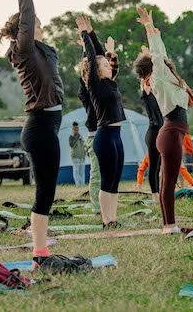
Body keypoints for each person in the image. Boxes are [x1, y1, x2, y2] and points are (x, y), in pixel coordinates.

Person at [0, 0, 64, 264]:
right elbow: (27, 12)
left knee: (48, 190)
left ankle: (40, 247)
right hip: (39, 127)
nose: (40, 24)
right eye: (37, 23)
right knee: (45, 191)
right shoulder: (24, 49)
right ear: (26, 29)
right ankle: (39, 252)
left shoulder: (39, 50)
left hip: (46, 126)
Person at [135, 7, 193, 234]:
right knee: (168, 182)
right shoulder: (157, 77)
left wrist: (155, 33)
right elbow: (158, 56)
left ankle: (168, 224)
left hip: (171, 132)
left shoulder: (164, 77)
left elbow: (162, 55)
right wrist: (149, 28)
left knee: (166, 181)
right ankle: (169, 225)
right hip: (170, 133)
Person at [76, 16, 125, 228]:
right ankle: (107, 220)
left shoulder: (110, 83)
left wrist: (93, 32)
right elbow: (92, 56)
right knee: (106, 181)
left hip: (117, 136)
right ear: (96, 71)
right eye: (104, 65)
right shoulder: (94, 85)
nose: (108, 65)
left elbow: (101, 58)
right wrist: (85, 35)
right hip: (104, 137)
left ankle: (113, 218)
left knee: (114, 182)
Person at [76, 27, 114, 215]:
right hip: (94, 135)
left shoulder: (101, 86)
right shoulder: (86, 90)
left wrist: (91, 36)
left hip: (105, 134)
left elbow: (97, 61)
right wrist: (86, 44)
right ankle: (97, 208)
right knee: (97, 174)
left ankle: (106, 205)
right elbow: (91, 63)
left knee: (107, 173)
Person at [137, 45, 165, 202]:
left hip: (160, 130)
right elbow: (148, 75)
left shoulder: (154, 89)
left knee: (159, 166)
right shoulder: (146, 89)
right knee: (154, 166)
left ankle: (160, 193)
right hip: (153, 131)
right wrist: (148, 57)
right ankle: (155, 195)